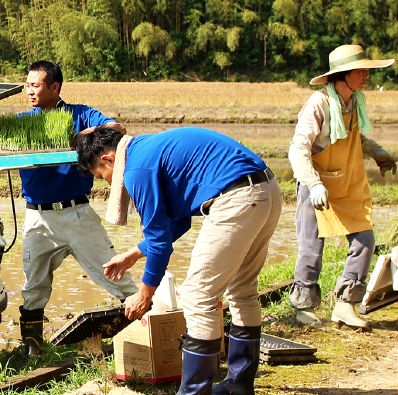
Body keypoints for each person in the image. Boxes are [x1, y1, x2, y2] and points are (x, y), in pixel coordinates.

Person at [76, 126, 282, 395]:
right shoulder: (147, 150)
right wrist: (135, 254)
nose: (107, 183)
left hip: (236, 199)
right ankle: (239, 385)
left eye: (101, 176)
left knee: (198, 297)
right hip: (266, 190)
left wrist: (144, 293)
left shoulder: (136, 169)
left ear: (108, 159)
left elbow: (161, 244)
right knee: (242, 291)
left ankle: (194, 392)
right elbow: (178, 221)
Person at [0, 61, 138, 356]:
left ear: (54, 87)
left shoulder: (79, 114)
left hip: (77, 213)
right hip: (37, 216)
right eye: (27, 84)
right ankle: (32, 346)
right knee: (34, 283)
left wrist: (82, 135)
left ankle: (144, 326)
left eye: (36, 85)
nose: (29, 90)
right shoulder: (22, 121)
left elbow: (117, 128)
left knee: (112, 272)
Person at [288, 44, 397, 330]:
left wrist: (377, 151)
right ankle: (304, 308)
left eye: (366, 71)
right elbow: (299, 148)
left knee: (365, 241)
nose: (366, 76)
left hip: (347, 183)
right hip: (318, 184)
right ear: (343, 75)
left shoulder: (355, 101)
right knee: (311, 246)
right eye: (360, 71)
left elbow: (353, 138)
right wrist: (313, 184)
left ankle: (345, 304)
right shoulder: (319, 103)